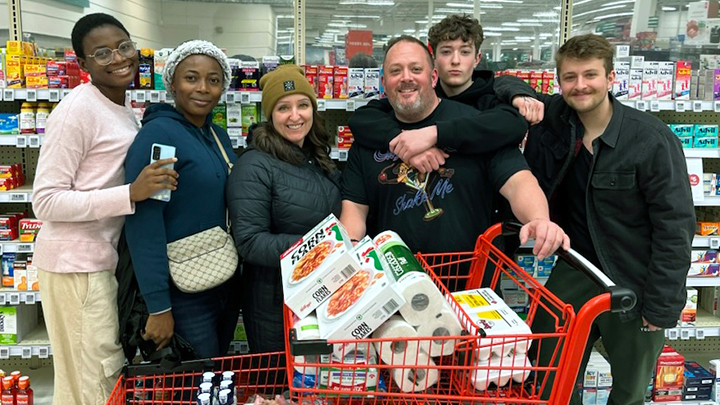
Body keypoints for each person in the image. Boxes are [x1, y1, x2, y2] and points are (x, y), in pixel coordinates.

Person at [527, 34, 695, 405]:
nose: (580, 85)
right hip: (575, 271)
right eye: (570, 77)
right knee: (547, 381)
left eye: (590, 75)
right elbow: (502, 85)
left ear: (611, 78)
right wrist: (517, 96)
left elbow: (676, 226)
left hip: (635, 280)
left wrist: (662, 304)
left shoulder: (650, 139)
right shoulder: (557, 125)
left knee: (629, 393)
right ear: (559, 83)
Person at [32, 13, 177, 405]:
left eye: (124, 46)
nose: (117, 58)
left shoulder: (119, 105)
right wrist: (130, 193)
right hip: (74, 265)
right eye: (102, 53)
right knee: (97, 378)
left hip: (99, 260)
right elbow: (45, 199)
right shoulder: (77, 110)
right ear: (83, 64)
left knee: (85, 378)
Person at [341, 36, 568, 261]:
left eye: (416, 69)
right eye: (395, 71)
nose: (406, 78)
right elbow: (354, 209)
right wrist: (349, 250)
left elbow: (518, 182)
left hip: (469, 282)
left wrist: (538, 219)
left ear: (433, 77)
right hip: (395, 282)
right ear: (384, 82)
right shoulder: (370, 138)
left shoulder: (476, 127)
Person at [124, 40, 240, 359]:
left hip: (222, 280)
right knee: (194, 384)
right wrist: (159, 305)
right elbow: (143, 222)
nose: (203, 88)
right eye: (191, 78)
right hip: (184, 294)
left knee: (214, 380)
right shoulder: (160, 137)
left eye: (213, 80)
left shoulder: (216, 134)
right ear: (172, 83)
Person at [226, 65, 341, 353]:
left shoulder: (316, 157)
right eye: (283, 108)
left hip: (319, 291)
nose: (295, 116)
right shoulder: (254, 165)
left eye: (303, 105)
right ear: (270, 115)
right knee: (281, 388)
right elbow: (250, 242)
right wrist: (323, 248)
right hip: (275, 303)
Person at [348, 15, 545, 172]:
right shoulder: (421, 98)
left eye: (465, 52)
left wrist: (434, 134)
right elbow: (363, 118)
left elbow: (513, 124)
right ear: (433, 59)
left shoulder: (492, 98)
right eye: (446, 52)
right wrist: (404, 142)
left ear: (477, 59)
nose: (455, 61)